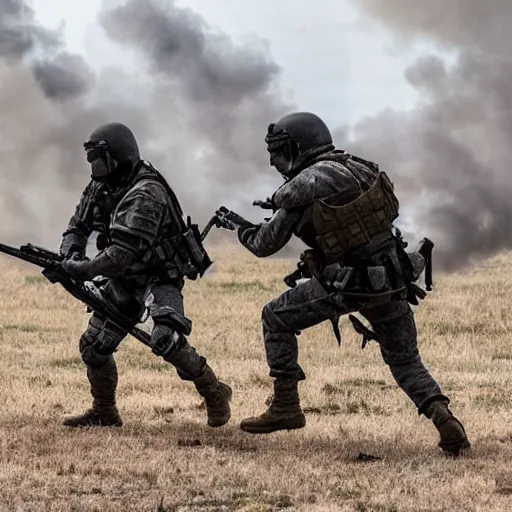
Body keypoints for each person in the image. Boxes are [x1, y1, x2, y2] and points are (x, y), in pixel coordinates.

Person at [215, 111, 470, 456]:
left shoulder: (303, 188)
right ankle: (445, 420)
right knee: (406, 360)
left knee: (275, 317)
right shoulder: (361, 168)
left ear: (296, 146)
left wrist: (237, 226)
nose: (274, 162)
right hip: (394, 278)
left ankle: (286, 407)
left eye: (278, 151)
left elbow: (264, 244)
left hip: (349, 286)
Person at [59, 122, 232, 428]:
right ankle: (104, 412)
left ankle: (214, 391)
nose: (93, 166)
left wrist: (83, 269)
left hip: (159, 276)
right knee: (93, 347)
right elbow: (77, 227)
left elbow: (120, 255)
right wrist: (70, 254)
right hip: (125, 277)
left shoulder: (146, 192)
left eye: (97, 158)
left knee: (166, 339)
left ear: (115, 157)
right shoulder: (101, 187)